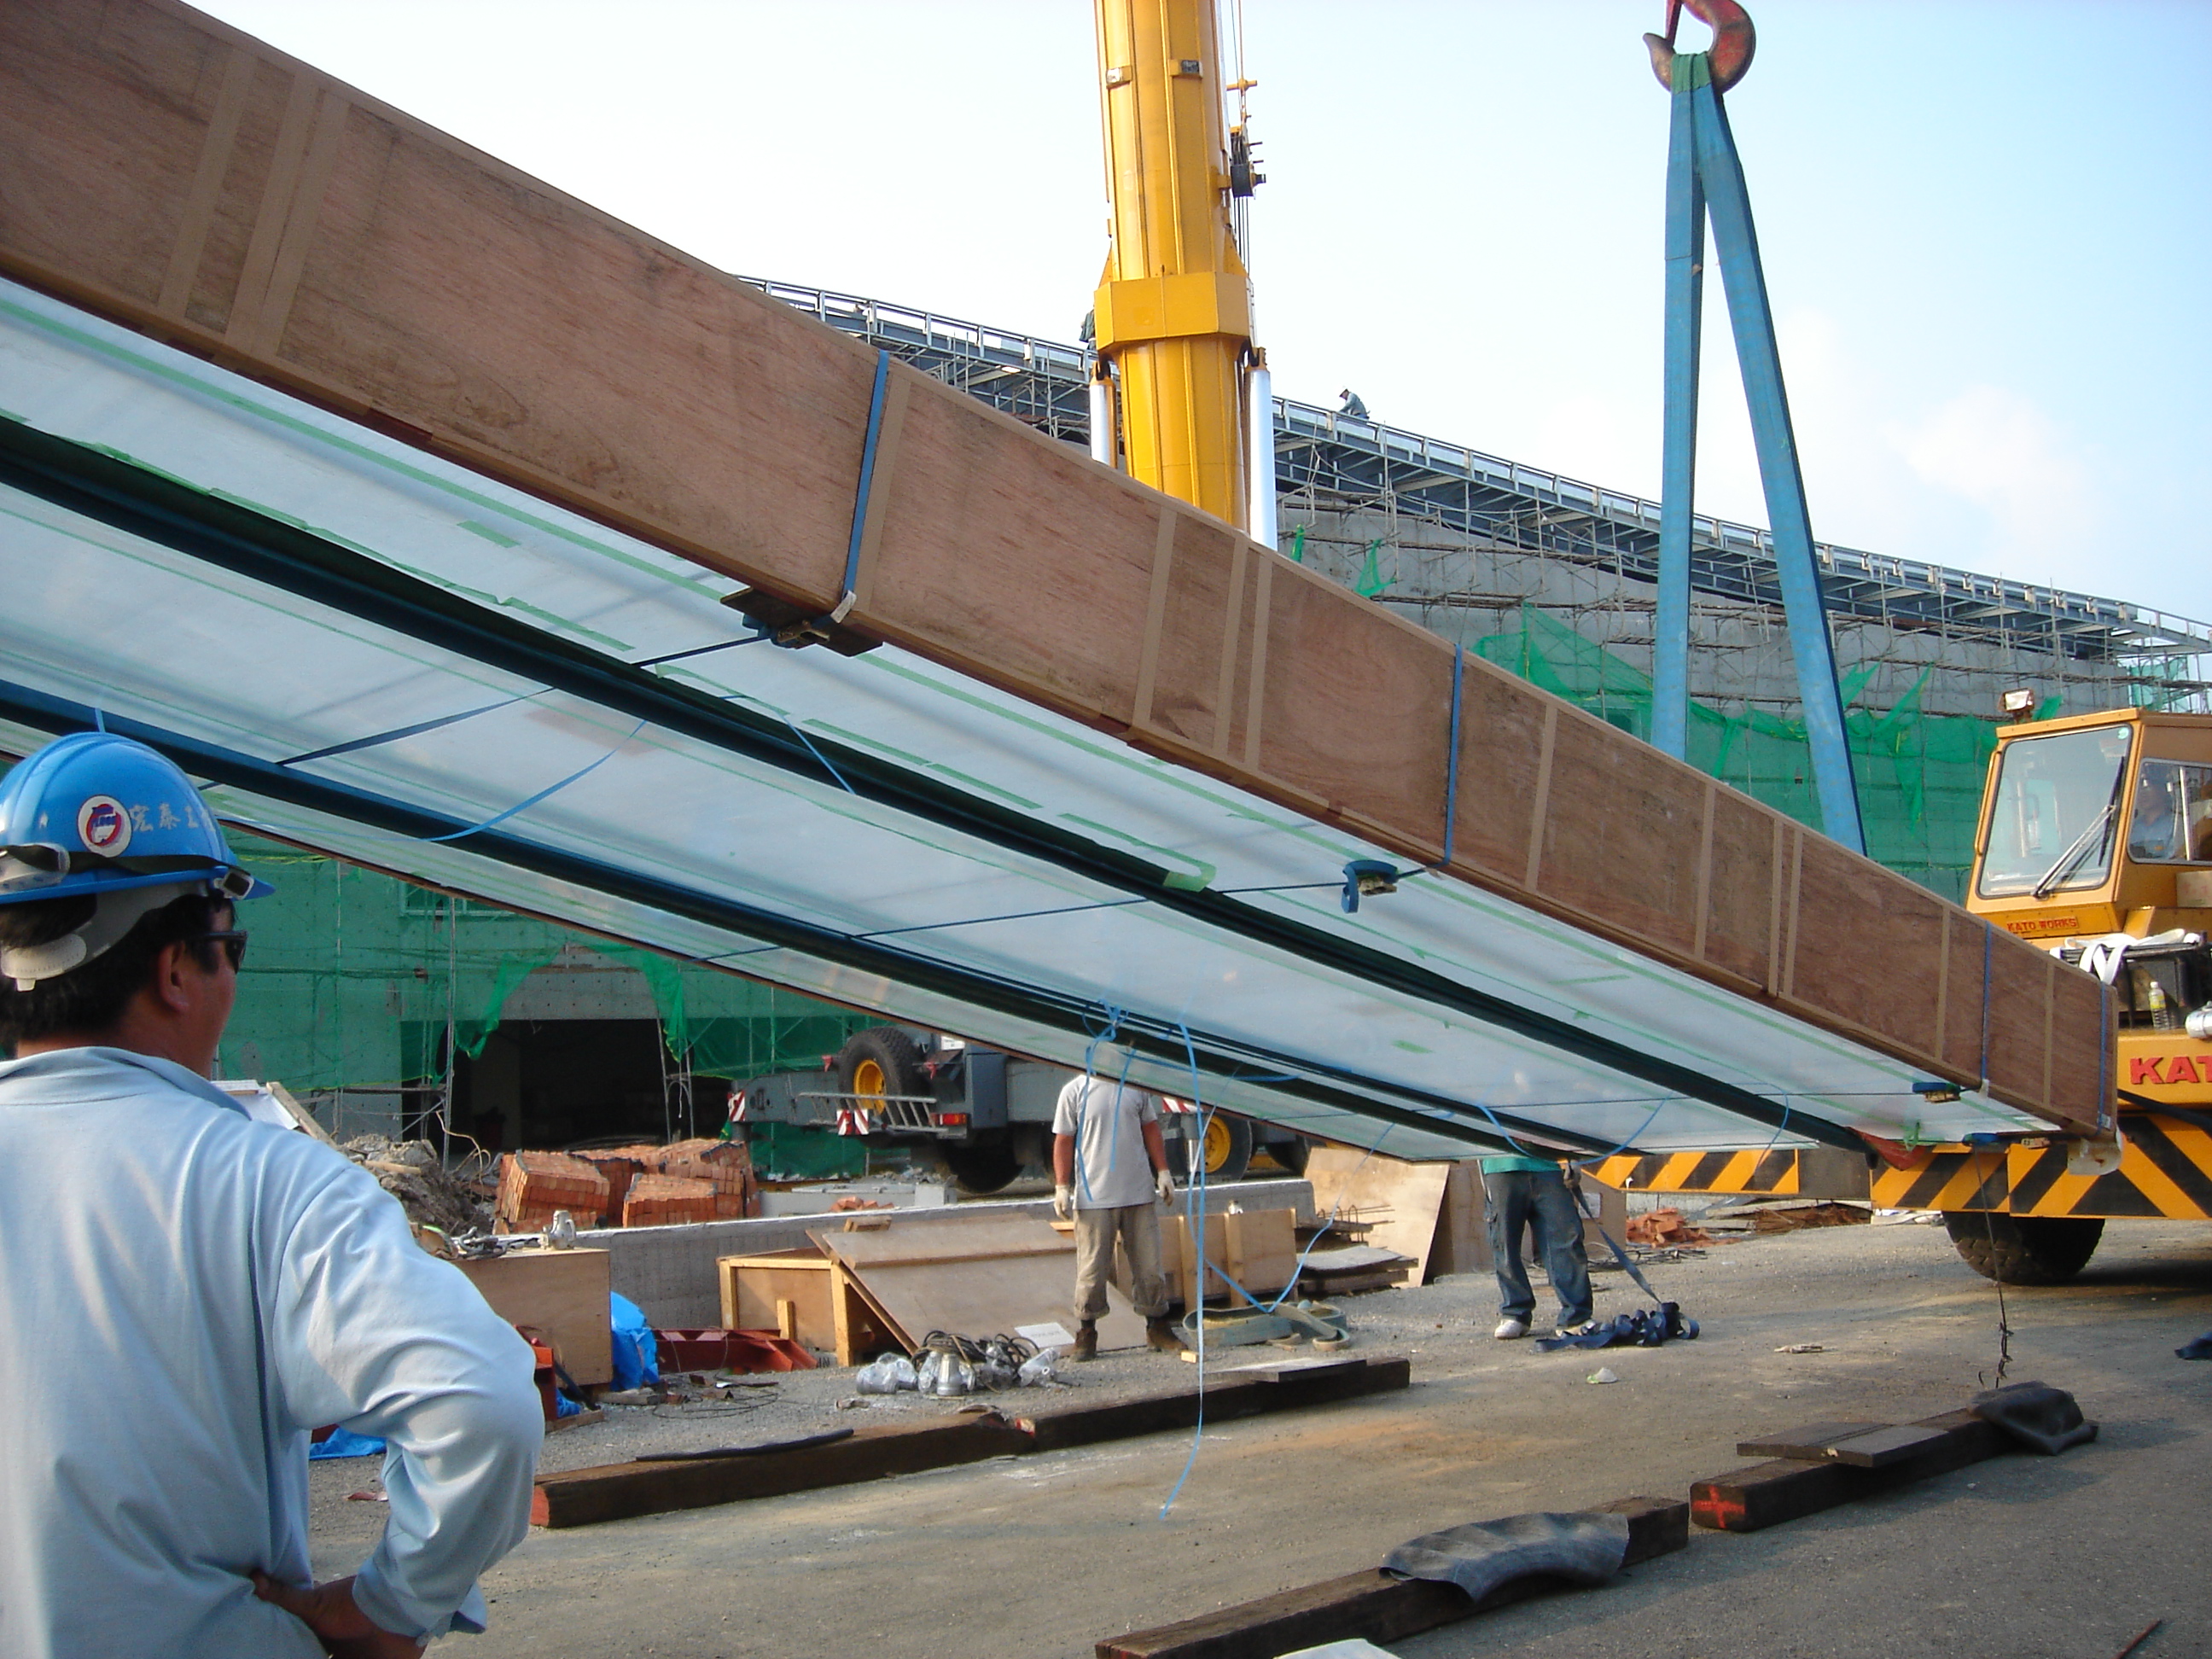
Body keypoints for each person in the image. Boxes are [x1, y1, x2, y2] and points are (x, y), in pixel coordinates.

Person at [0, 732, 543, 1659]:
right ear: (177, 969)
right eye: (231, 946)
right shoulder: (268, 1184)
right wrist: (390, 1606)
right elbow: (481, 1402)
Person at [1051, 1055, 1182, 1360]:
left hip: (1137, 1194)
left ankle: (1157, 1327)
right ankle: (1086, 1333)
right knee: (1092, 1270)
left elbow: (1150, 1127)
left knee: (1150, 1268)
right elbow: (1063, 1140)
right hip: (1095, 1197)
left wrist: (1162, 1171)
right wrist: (1062, 1186)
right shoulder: (1074, 1091)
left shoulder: (1135, 1089)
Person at [1481, 1150, 1595, 1341]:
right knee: (1504, 1242)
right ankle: (1516, 1312)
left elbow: (1567, 1118)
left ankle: (1576, 1317)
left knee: (1566, 1239)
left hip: (1551, 1165)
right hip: (1500, 1164)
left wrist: (1573, 1157)